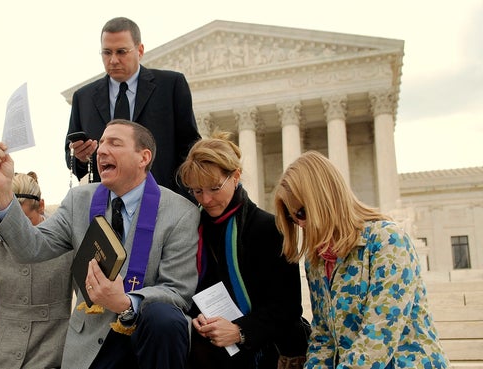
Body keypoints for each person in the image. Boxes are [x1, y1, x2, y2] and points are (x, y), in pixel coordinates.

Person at [0, 120, 200, 369]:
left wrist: (126, 302)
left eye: (115, 143)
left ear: (144, 157)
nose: (102, 150)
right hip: (91, 339)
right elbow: (30, 248)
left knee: (164, 318)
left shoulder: (181, 212)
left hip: (148, 337)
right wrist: (2, 190)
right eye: (102, 143)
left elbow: (177, 291)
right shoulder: (78, 200)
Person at [273, 151, 450, 368]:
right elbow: (323, 336)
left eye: (301, 212)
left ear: (324, 199)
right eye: (292, 217)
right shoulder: (316, 261)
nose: (299, 224)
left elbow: (379, 335)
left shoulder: (387, 240)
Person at [177, 135, 309, 369]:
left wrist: (240, 331)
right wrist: (197, 318)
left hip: (262, 346)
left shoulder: (269, 228)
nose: (206, 200)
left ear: (235, 176)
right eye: (196, 191)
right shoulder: (190, 227)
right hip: (207, 342)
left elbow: (287, 307)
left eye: (214, 188)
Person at [65, 16, 200, 199]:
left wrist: (184, 196)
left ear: (140, 50)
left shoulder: (171, 86)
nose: (113, 60)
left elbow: (190, 147)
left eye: (121, 52)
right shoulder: (83, 98)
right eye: (106, 52)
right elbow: (70, 157)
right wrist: (80, 157)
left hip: (162, 202)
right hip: (105, 207)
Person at [0, 171, 74, 369]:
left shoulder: (68, 245)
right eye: (11, 223)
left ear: (41, 206)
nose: (18, 234)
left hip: (51, 357)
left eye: (25, 221)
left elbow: (87, 304)